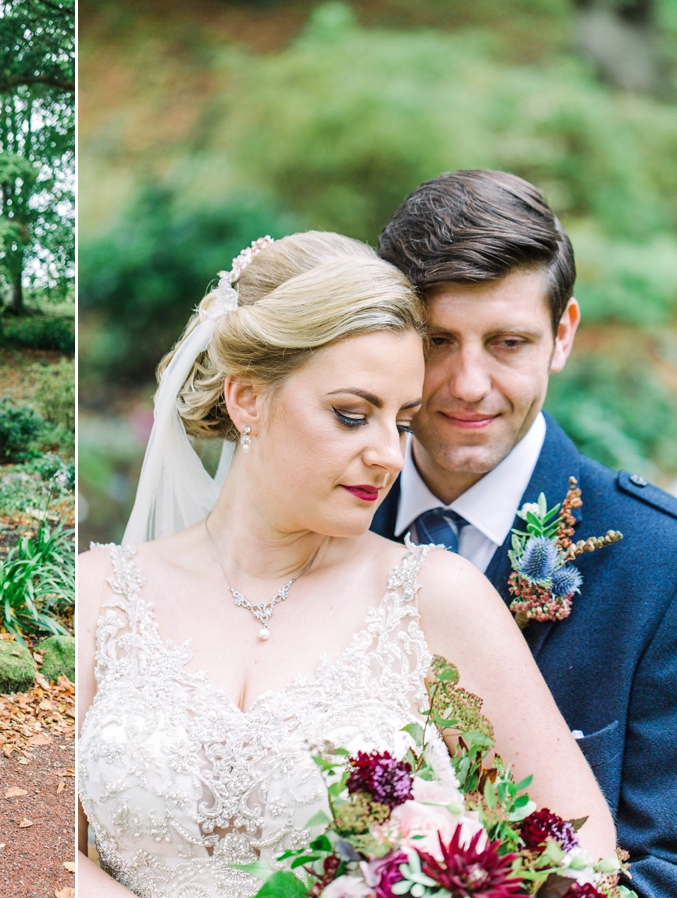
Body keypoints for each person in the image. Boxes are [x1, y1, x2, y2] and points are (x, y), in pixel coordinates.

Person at [76, 232, 617, 898]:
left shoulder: (435, 598)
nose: (389, 454)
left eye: (403, 422)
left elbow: (579, 850)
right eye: (353, 415)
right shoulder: (102, 595)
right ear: (247, 398)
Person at [371, 169, 677, 898]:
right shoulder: (316, 528)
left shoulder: (659, 566)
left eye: (507, 342)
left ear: (561, 335)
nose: (467, 384)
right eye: (437, 340)